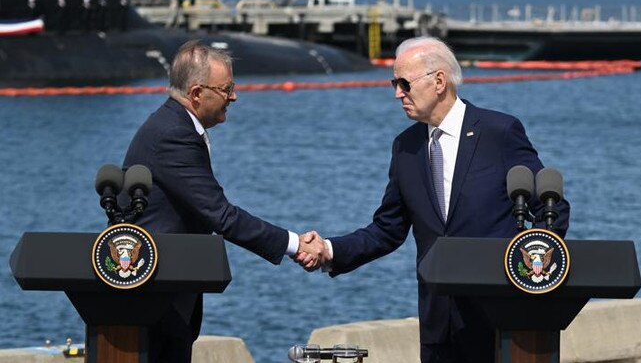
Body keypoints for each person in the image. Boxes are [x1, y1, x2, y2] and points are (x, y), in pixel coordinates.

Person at [297, 37, 570, 362]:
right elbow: (387, 230)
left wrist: (529, 279)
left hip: (502, 321)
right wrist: (328, 250)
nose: (398, 93)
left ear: (439, 81)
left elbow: (551, 210)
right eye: (393, 83)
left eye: (404, 83)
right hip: (439, 325)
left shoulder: (500, 132)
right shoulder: (406, 147)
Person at [122, 40, 324, 363]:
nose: (234, 96)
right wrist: (295, 244)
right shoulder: (173, 135)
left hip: (166, 296)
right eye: (227, 88)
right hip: (155, 300)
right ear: (197, 94)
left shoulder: (174, 124)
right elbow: (222, 216)